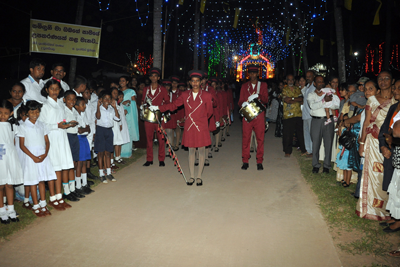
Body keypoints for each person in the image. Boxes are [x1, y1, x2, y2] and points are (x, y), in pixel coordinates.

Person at [150, 70, 213, 186]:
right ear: (189, 83)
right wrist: (158, 107)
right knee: (191, 151)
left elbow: (209, 112)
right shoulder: (184, 95)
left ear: (200, 83)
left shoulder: (207, 95)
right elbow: (173, 105)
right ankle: (192, 176)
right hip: (190, 127)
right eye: (193, 81)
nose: (195, 83)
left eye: (197, 81)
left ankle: (199, 176)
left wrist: (201, 120)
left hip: (201, 127)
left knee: (202, 151)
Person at [356, 71, 396, 221]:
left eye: (387, 78)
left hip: (389, 142)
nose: (383, 81)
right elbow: (366, 123)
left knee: (388, 175)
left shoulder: (396, 100)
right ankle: (371, 209)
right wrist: (362, 143)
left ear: (392, 81)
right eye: (380, 78)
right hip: (373, 142)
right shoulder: (371, 100)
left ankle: (388, 210)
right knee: (372, 174)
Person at [38, 79, 75, 210]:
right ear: (47, 90)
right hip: (52, 138)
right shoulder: (44, 106)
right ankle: (52, 198)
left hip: (62, 137)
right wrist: (56, 125)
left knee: (61, 168)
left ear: (60, 90)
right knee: (53, 169)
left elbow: (62, 119)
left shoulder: (60, 104)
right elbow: (42, 125)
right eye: (52, 89)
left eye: (57, 89)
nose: (54, 91)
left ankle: (59, 197)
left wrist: (67, 123)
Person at [18, 100, 57, 217]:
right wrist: (33, 157)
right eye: (32, 111)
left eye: (37, 111)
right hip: (31, 156)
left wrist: (45, 154)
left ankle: (43, 204)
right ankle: (35, 205)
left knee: (42, 180)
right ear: (27, 112)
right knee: (33, 181)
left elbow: (47, 141)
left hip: (42, 155)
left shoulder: (42, 125)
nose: (35, 114)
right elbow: (21, 145)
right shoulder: (23, 126)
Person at [238, 64, 269, 170]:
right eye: (251, 73)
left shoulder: (263, 85)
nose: (253, 75)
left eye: (254, 73)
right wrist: (242, 103)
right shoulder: (244, 86)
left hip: (259, 115)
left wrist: (258, 96)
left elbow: (266, 100)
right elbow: (240, 100)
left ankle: (259, 161)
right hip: (247, 114)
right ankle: (245, 160)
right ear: (248, 74)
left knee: (260, 139)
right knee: (246, 138)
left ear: (258, 74)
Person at [307, 75, 340, 174]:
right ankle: (315, 165)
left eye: (322, 81)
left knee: (328, 143)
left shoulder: (329, 92)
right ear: (314, 83)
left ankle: (327, 165)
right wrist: (324, 101)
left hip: (328, 120)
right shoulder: (311, 95)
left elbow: (336, 105)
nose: (321, 83)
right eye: (318, 81)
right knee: (316, 144)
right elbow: (313, 106)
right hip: (316, 121)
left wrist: (330, 101)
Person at [0, 100, 23, 224]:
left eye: (5, 113)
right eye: (0, 113)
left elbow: (13, 142)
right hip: (0, 157)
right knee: (1, 185)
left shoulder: (13, 125)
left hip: (10, 156)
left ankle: (11, 209)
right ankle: (1, 210)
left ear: (11, 113)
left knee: (9, 184)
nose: (2, 116)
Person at [141, 68, 170, 167]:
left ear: (158, 78)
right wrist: (142, 106)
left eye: (155, 76)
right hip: (148, 117)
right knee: (149, 139)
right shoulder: (146, 89)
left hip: (159, 117)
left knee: (161, 139)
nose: (153, 78)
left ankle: (161, 159)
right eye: (152, 76)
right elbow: (143, 100)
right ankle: (149, 159)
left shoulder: (162, 89)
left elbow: (167, 102)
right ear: (149, 77)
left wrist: (161, 110)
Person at [95, 90, 120, 183]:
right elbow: (97, 117)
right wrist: (98, 106)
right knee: (100, 153)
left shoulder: (111, 109)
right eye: (105, 98)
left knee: (108, 152)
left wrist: (115, 107)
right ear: (101, 99)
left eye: (109, 99)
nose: (107, 100)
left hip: (109, 131)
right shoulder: (98, 108)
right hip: (101, 130)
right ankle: (101, 174)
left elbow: (117, 118)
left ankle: (108, 172)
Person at [281, 74, 306, 157]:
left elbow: (301, 99)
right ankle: (287, 151)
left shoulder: (297, 89)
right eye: (289, 80)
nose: (290, 81)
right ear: (286, 81)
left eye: (292, 80)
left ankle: (303, 149)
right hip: (288, 115)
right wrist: (296, 99)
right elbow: (286, 100)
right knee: (288, 134)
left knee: (300, 133)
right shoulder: (284, 89)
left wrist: (291, 99)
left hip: (298, 114)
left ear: (294, 80)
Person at [74, 97, 94, 195]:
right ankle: (78, 185)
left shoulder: (82, 114)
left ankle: (85, 184)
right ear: (76, 105)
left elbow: (88, 129)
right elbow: (79, 130)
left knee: (85, 162)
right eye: (82, 104)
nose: (85, 106)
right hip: (78, 139)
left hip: (84, 139)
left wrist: (84, 129)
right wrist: (84, 129)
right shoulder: (74, 115)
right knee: (79, 163)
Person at [120, 76, 139, 158]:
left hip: (128, 114)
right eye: (120, 81)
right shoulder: (117, 91)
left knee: (128, 131)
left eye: (123, 81)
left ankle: (127, 152)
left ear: (127, 82)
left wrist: (128, 102)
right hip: (119, 113)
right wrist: (121, 104)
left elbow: (134, 103)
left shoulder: (131, 91)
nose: (121, 82)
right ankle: (119, 152)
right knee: (120, 132)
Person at [111, 87, 129, 164]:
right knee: (116, 142)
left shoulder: (120, 105)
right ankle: (115, 158)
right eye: (120, 96)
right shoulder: (113, 104)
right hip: (115, 126)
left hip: (120, 125)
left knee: (119, 142)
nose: (121, 98)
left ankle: (118, 156)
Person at [302, 70, 316, 157]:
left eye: (310, 76)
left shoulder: (314, 87)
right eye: (307, 76)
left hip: (311, 114)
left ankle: (313, 151)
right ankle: (308, 150)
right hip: (305, 114)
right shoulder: (307, 86)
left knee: (312, 134)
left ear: (313, 76)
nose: (308, 78)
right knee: (306, 133)